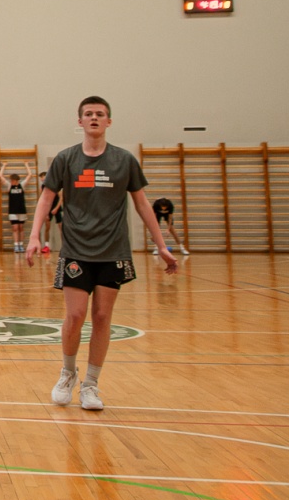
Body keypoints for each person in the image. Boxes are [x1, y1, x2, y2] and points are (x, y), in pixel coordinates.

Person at [29, 96, 180, 411]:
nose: (94, 118)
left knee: (101, 316)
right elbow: (46, 198)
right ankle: (67, 373)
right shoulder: (65, 159)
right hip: (76, 249)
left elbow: (142, 204)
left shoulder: (124, 160)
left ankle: (91, 385)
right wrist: (33, 236)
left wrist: (162, 245)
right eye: (88, 114)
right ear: (80, 121)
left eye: (100, 114)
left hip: (113, 250)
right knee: (75, 315)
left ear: (108, 121)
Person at [5, 168, 29, 253]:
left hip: (21, 210)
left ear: (16, 180)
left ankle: (21, 245)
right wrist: (4, 166)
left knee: (21, 227)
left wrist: (26, 165)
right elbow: (0, 176)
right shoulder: (9, 186)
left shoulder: (22, 185)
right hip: (12, 210)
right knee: (15, 228)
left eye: (12, 180)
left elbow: (29, 175)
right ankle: (16, 245)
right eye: (11, 180)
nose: (11, 181)